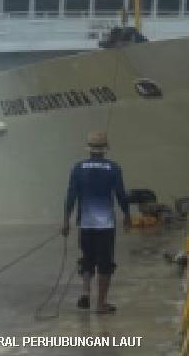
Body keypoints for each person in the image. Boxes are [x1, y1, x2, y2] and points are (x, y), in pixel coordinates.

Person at [62, 131, 131, 314]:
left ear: (89, 148)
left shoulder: (78, 168)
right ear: (105, 149)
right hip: (105, 225)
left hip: (85, 223)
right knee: (105, 263)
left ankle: (85, 293)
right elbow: (121, 195)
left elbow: (71, 195)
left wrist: (66, 220)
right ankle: (101, 303)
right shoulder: (114, 168)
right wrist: (127, 214)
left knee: (87, 258)